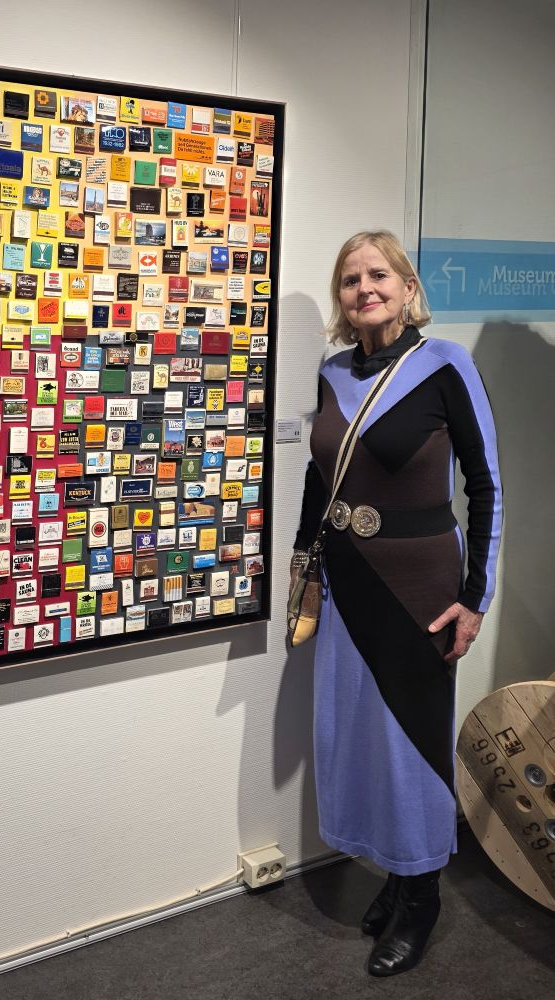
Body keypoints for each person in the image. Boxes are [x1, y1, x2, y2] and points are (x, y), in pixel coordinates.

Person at [291, 231, 502, 977]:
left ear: (408, 288)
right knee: (359, 737)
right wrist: (306, 572)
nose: (364, 289)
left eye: (378, 275)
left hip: (421, 588)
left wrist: (475, 597)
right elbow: (319, 483)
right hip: (347, 581)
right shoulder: (332, 371)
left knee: (412, 744)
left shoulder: (445, 364)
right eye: (350, 280)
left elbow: (485, 484)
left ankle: (422, 895)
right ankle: (395, 872)